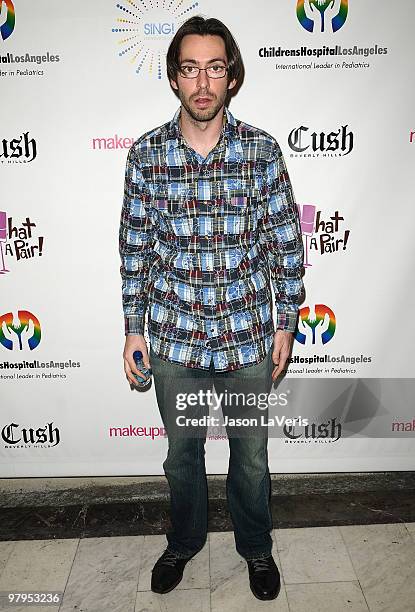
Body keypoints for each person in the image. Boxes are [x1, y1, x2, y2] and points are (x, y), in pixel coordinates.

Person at [119, 15, 304, 601]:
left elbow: (285, 243)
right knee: (182, 457)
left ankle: (256, 548)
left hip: (248, 336)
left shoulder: (262, 152)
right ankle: (185, 541)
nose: (203, 81)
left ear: (232, 77)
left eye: (215, 68)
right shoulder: (146, 156)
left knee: (251, 458)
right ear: (174, 78)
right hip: (174, 340)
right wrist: (132, 329)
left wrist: (287, 321)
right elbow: (135, 247)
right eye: (191, 68)